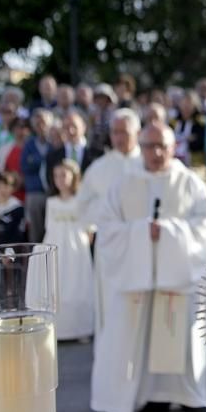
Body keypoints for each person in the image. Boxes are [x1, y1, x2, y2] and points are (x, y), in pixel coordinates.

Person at [90, 124, 206, 412]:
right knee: (141, 337)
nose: (156, 153)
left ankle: (190, 395)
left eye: (163, 146)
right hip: (137, 280)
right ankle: (150, 397)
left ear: (174, 148)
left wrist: (170, 233)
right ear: (141, 147)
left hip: (177, 280)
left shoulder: (189, 182)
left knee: (182, 334)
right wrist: (140, 233)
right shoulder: (124, 182)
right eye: (149, 146)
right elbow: (107, 227)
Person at [76, 109, 143, 337]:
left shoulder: (149, 164)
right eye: (115, 132)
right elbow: (83, 205)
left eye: (124, 132)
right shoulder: (99, 168)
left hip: (141, 245)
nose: (119, 137)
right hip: (111, 246)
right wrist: (105, 215)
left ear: (137, 132)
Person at [44, 160, 94, 341]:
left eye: (64, 175)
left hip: (76, 248)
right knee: (58, 283)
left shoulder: (81, 200)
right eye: (56, 176)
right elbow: (49, 227)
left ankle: (80, 329)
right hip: (56, 244)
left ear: (73, 177)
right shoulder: (51, 202)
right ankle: (59, 329)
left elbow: (89, 226)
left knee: (78, 283)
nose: (60, 180)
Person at [46, 110, 102, 191]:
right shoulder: (53, 156)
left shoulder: (98, 153)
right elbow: (51, 182)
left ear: (83, 127)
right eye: (66, 127)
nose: (71, 131)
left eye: (74, 126)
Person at [21, 109, 54, 242]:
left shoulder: (53, 143)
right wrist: (43, 160)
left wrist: (35, 160)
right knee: (35, 230)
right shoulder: (29, 144)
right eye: (38, 123)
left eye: (44, 123)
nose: (41, 126)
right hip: (34, 192)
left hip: (51, 192)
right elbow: (25, 166)